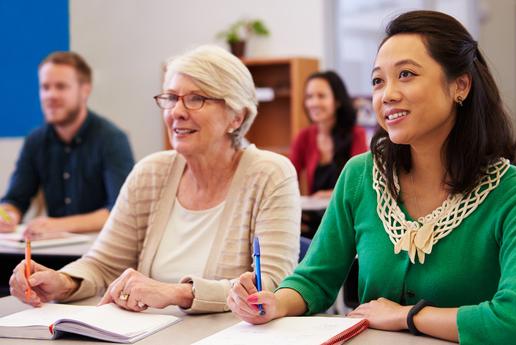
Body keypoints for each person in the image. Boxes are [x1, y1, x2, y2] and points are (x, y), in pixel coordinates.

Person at [228, 10, 516, 345]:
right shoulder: (360, 175)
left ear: (461, 85)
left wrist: (405, 316)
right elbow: (315, 280)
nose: (387, 95)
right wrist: (273, 303)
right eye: (378, 81)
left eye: (406, 74)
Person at [9, 45, 301, 314]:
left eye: (196, 99)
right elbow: (103, 263)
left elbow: (271, 286)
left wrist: (178, 293)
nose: (176, 112)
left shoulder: (270, 174)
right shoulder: (151, 173)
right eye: (171, 97)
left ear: (236, 116)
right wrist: (64, 281)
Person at [0, 51, 135, 234]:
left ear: (85, 90)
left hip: (98, 252)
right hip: (51, 249)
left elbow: (121, 211)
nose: (51, 95)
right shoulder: (35, 141)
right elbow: (15, 199)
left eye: (61, 87)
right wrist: (9, 214)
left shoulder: (112, 139)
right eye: (45, 87)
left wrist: (58, 224)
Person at [290, 71, 368, 199]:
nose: (314, 103)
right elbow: (289, 177)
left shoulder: (356, 134)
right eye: (309, 97)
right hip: (314, 216)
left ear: (337, 101)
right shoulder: (304, 136)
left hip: (347, 213)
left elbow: (360, 182)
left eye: (321, 96)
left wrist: (329, 195)